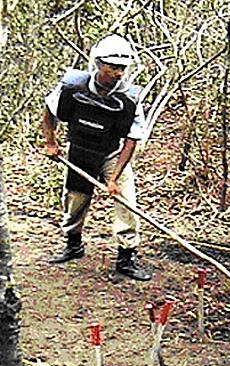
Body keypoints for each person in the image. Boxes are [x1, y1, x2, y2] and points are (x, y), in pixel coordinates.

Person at [40, 34, 151, 281]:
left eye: (123, 68)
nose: (119, 74)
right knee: (76, 199)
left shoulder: (131, 99)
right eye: (113, 68)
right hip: (80, 150)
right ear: (98, 64)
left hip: (112, 153)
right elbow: (50, 111)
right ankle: (73, 244)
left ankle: (126, 256)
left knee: (126, 201)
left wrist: (115, 178)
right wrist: (51, 143)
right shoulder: (72, 87)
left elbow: (132, 140)